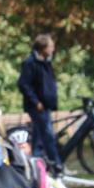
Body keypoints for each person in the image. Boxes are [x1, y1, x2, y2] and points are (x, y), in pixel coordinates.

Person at [17, 33, 62, 168]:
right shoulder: (31, 63)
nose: (53, 49)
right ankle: (57, 164)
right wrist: (36, 102)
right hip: (37, 107)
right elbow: (23, 84)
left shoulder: (46, 63)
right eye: (50, 46)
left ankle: (37, 164)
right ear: (43, 48)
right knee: (48, 135)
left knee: (39, 137)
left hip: (46, 105)